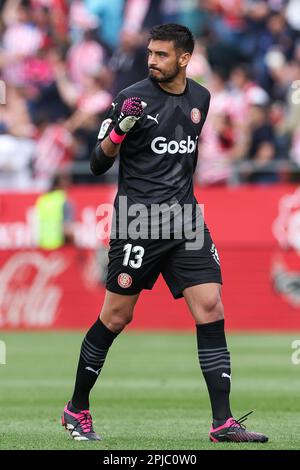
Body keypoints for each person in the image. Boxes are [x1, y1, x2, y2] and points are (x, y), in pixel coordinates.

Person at [61, 23, 268, 443]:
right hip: (138, 220)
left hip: (186, 220)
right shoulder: (129, 98)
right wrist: (120, 129)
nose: (151, 60)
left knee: (210, 307)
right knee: (117, 316)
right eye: (150, 53)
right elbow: (98, 163)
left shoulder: (201, 99)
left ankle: (222, 422)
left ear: (185, 59)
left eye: (161, 55)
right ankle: (76, 409)